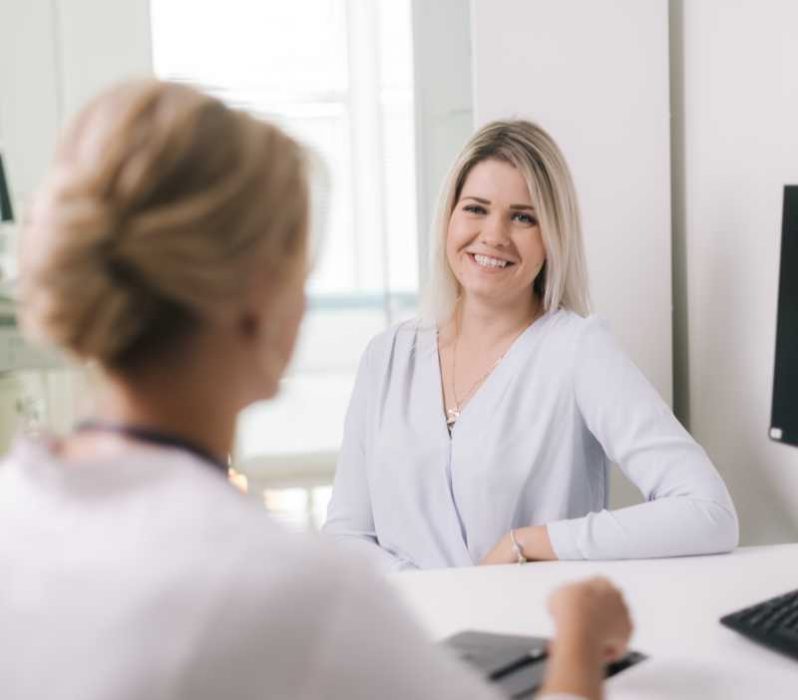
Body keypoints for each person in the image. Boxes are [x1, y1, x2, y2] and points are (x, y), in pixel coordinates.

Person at [0, 80, 632, 700]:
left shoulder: (16, 514)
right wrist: (579, 639)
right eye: (300, 267)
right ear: (255, 305)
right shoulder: (293, 592)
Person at [324, 120, 739, 571]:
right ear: (448, 218)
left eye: (523, 217)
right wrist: (431, 597)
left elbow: (708, 512)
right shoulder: (386, 356)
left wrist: (532, 542)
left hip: (531, 634)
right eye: (476, 209)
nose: (494, 235)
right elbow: (346, 535)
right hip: (410, 633)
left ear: (551, 237)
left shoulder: (578, 351)